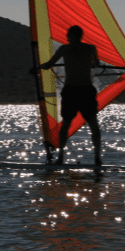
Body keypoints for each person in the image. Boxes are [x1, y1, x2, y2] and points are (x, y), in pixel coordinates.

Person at [39, 25, 102, 167]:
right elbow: (95, 65)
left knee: (90, 124)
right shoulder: (90, 48)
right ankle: (64, 158)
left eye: (68, 35)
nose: (67, 37)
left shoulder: (66, 49)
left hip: (78, 91)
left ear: (73, 35)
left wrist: (41, 66)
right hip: (79, 90)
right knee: (70, 124)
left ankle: (95, 158)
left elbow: (49, 64)